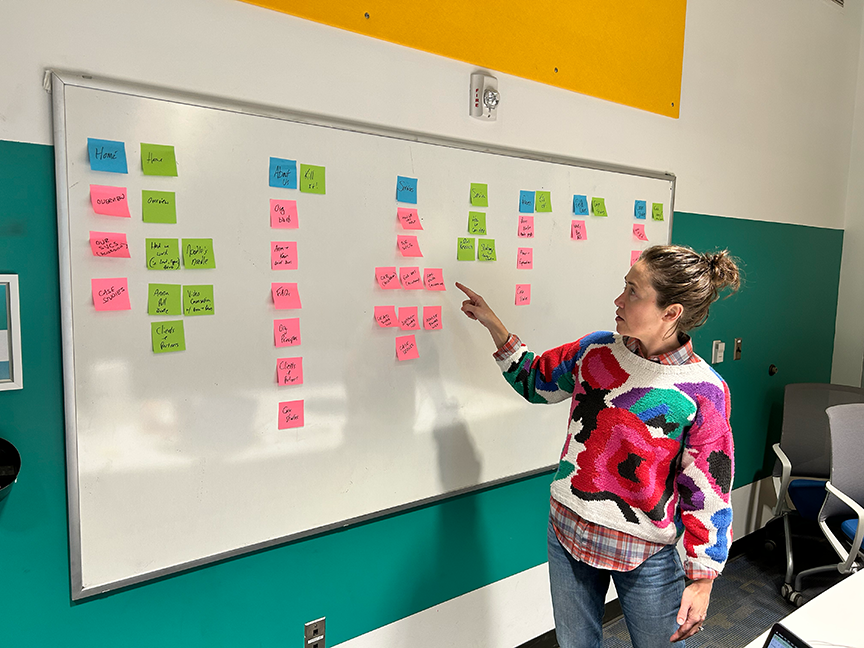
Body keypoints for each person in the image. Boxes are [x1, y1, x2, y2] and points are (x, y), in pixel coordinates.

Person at [456, 245, 740, 648]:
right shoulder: (596, 350)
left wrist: (702, 578)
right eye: (623, 287)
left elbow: (709, 489)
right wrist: (493, 323)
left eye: (632, 292)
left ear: (671, 312)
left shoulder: (704, 390)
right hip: (568, 530)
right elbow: (536, 381)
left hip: (644, 550)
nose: (618, 300)